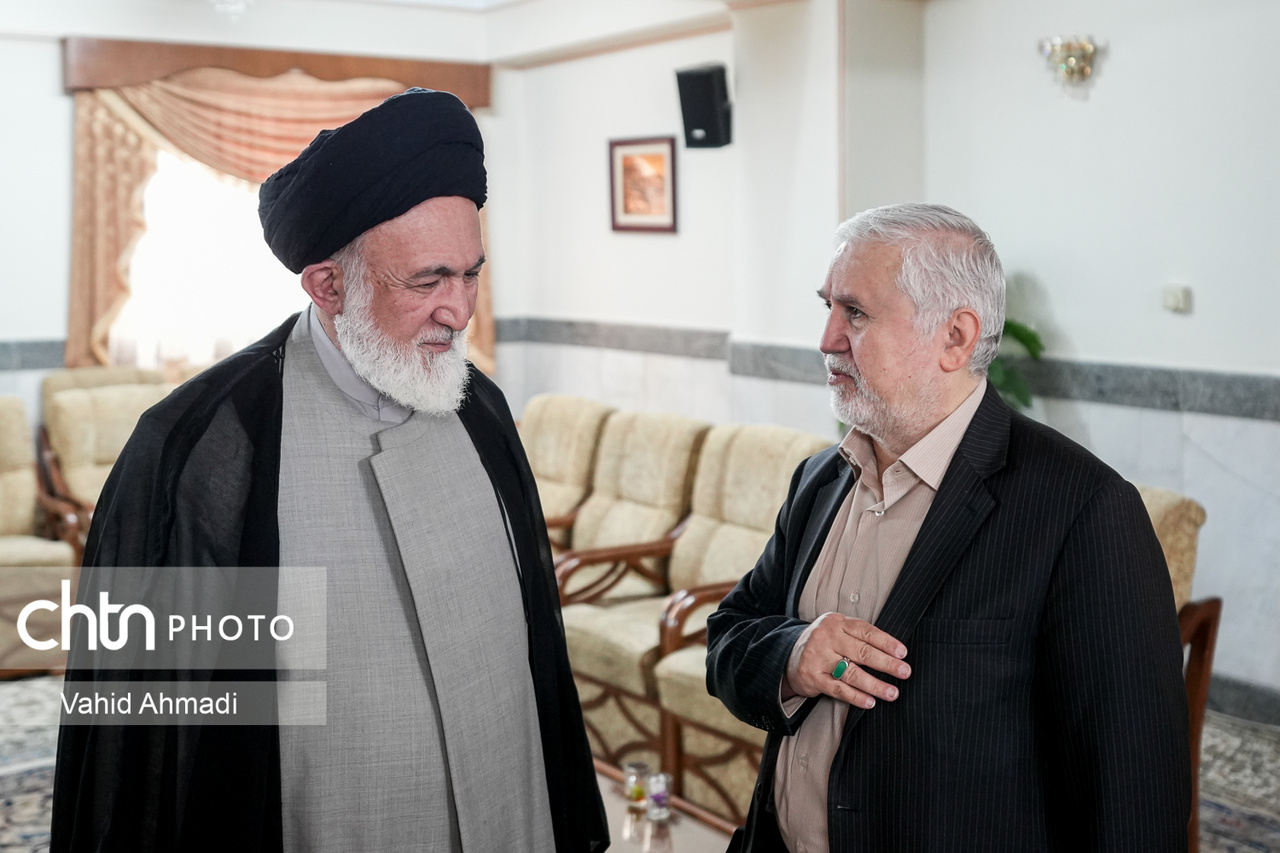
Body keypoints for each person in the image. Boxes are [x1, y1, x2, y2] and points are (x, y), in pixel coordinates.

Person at [52, 89, 608, 853]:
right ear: (327, 285)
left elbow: (541, 659)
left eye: (470, 274)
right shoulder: (203, 446)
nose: (459, 311)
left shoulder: (482, 411)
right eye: (427, 281)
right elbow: (144, 736)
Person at [705, 203, 1190, 852]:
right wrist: (793, 656)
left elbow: (1133, 797)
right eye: (828, 306)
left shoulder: (1084, 510)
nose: (827, 338)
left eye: (855, 312)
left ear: (956, 337)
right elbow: (728, 638)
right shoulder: (820, 480)